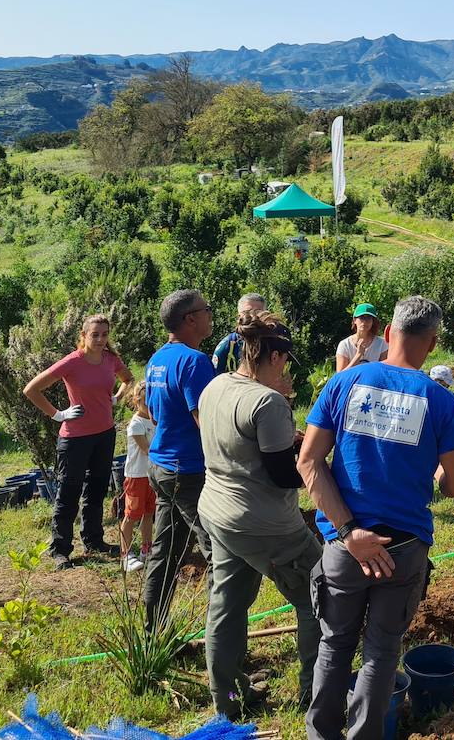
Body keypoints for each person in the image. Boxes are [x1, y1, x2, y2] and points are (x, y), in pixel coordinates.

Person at [299, 296, 454, 740]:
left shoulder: (343, 383)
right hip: (403, 551)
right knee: (380, 653)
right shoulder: (443, 403)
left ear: (388, 334)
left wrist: (348, 531)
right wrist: (437, 475)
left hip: (343, 547)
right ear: (432, 344)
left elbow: (309, 462)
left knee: (334, 645)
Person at [200, 310, 321, 720]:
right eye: (285, 361)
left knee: (227, 606)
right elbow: (283, 474)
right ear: (274, 358)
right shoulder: (267, 402)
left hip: (218, 511)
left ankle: (229, 702)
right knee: (321, 594)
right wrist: (318, 461)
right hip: (265, 525)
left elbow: (243, 447)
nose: (286, 369)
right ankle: (316, 693)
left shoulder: (216, 386)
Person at [23, 313, 132, 570]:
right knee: (68, 493)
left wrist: (115, 399)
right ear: (83, 336)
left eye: (104, 334)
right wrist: (58, 414)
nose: (100, 339)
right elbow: (31, 389)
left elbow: (128, 380)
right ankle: (60, 549)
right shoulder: (72, 362)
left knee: (96, 490)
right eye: (95, 335)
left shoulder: (111, 360)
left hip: (104, 434)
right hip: (75, 439)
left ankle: (94, 541)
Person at [143, 289, 217, 632]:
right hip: (188, 471)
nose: (209, 315)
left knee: (165, 553)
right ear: (190, 319)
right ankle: (222, 650)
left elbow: (156, 416)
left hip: (161, 466)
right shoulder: (194, 362)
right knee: (220, 556)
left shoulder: (157, 360)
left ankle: (153, 632)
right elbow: (208, 422)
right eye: (205, 310)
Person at [120, 381, 156, 573]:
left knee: (149, 512)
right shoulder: (136, 424)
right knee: (132, 514)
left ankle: (147, 548)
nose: (150, 405)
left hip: (151, 475)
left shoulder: (155, 420)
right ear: (136, 401)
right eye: (145, 401)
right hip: (137, 476)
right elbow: (147, 449)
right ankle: (125, 554)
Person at [212, 293, 267, 373]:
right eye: (247, 312)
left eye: (257, 312)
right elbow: (215, 379)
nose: (252, 316)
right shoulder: (228, 344)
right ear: (239, 316)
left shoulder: (273, 342)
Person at [335, 304, 388, 372]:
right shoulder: (344, 345)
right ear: (355, 320)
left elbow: (384, 372)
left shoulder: (382, 344)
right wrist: (358, 355)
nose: (365, 321)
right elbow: (340, 377)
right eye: (362, 317)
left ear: (373, 321)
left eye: (368, 318)